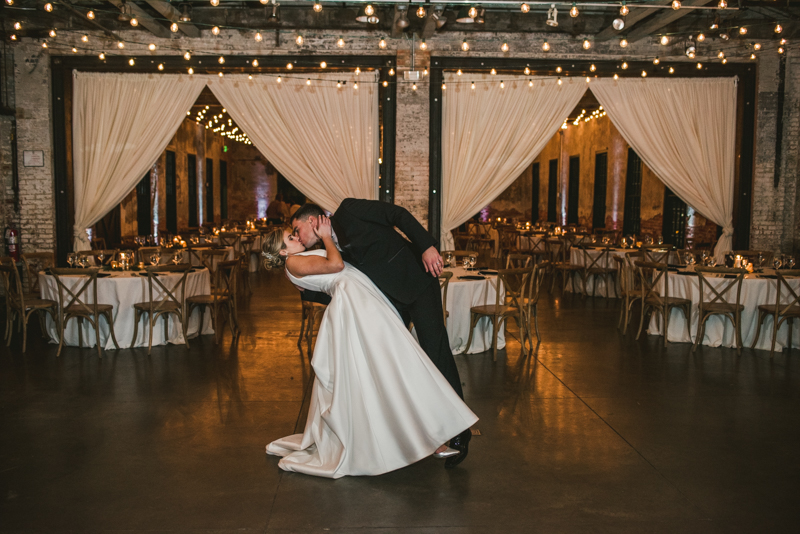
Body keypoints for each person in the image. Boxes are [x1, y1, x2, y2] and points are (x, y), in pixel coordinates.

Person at [262, 217, 477, 478]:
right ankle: (426, 438)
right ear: (283, 251)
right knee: (392, 370)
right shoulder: (293, 262)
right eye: (290, 238)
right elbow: (336, 265)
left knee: (392, 370)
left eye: (294, 234)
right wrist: (328, 236)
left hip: (361, 302)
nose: (296, 237)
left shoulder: (295, 262)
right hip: (358, 308)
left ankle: (426, 437)